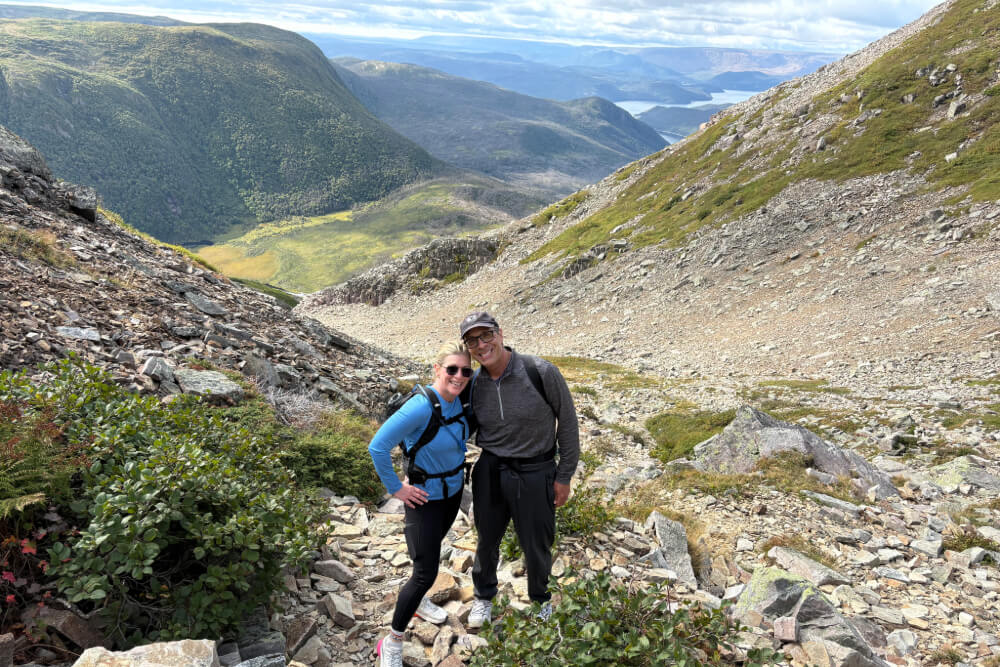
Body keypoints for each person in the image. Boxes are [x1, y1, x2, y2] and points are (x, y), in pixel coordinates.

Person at [459, 311, 579, 628]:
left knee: (536, 543)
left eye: (486, 335)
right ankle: (483, 598)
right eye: (473, 340)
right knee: (486, 539)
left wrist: (564, 475)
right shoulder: (473, 383)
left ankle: (541, 601)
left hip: (536, 469)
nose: (481, 345)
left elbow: (567, 422)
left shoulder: (539, 371)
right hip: (490, 468)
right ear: (468, 347)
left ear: (500, 334)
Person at [369, 342, 474, 667]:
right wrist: (396, 488)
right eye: (452, 369)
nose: (458, 376)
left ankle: (420, 600)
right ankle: (393, 641)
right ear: (437, 370)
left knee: (428, 558)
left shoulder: (459, 402)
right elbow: (378, 446)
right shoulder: (420, 407)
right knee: (425, 571)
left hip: (452, 494)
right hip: (424, 499)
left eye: (466, 371)